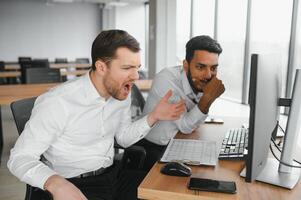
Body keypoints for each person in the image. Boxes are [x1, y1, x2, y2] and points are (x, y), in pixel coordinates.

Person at [7, 30, 186, 200]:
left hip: (112, 176)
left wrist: (153, 116)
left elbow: (122, 138)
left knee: (167, 189)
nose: (136, 76)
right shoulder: (58, 102)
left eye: (137, 68)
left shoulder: (121, 93)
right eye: (127, 68)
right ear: (101, 67)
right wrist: (55, 183)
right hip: (74, 183)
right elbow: (19, 158)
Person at [137, 35, 225, 171]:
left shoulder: (199, 81)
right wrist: (207, 99)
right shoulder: (167, 80)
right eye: (201, 67)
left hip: (179, 142)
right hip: (152, 151)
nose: (208, 75)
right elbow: (185, 125)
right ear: (186, 65)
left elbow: (193, 123)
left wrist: (205, 97)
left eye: (213, 68)